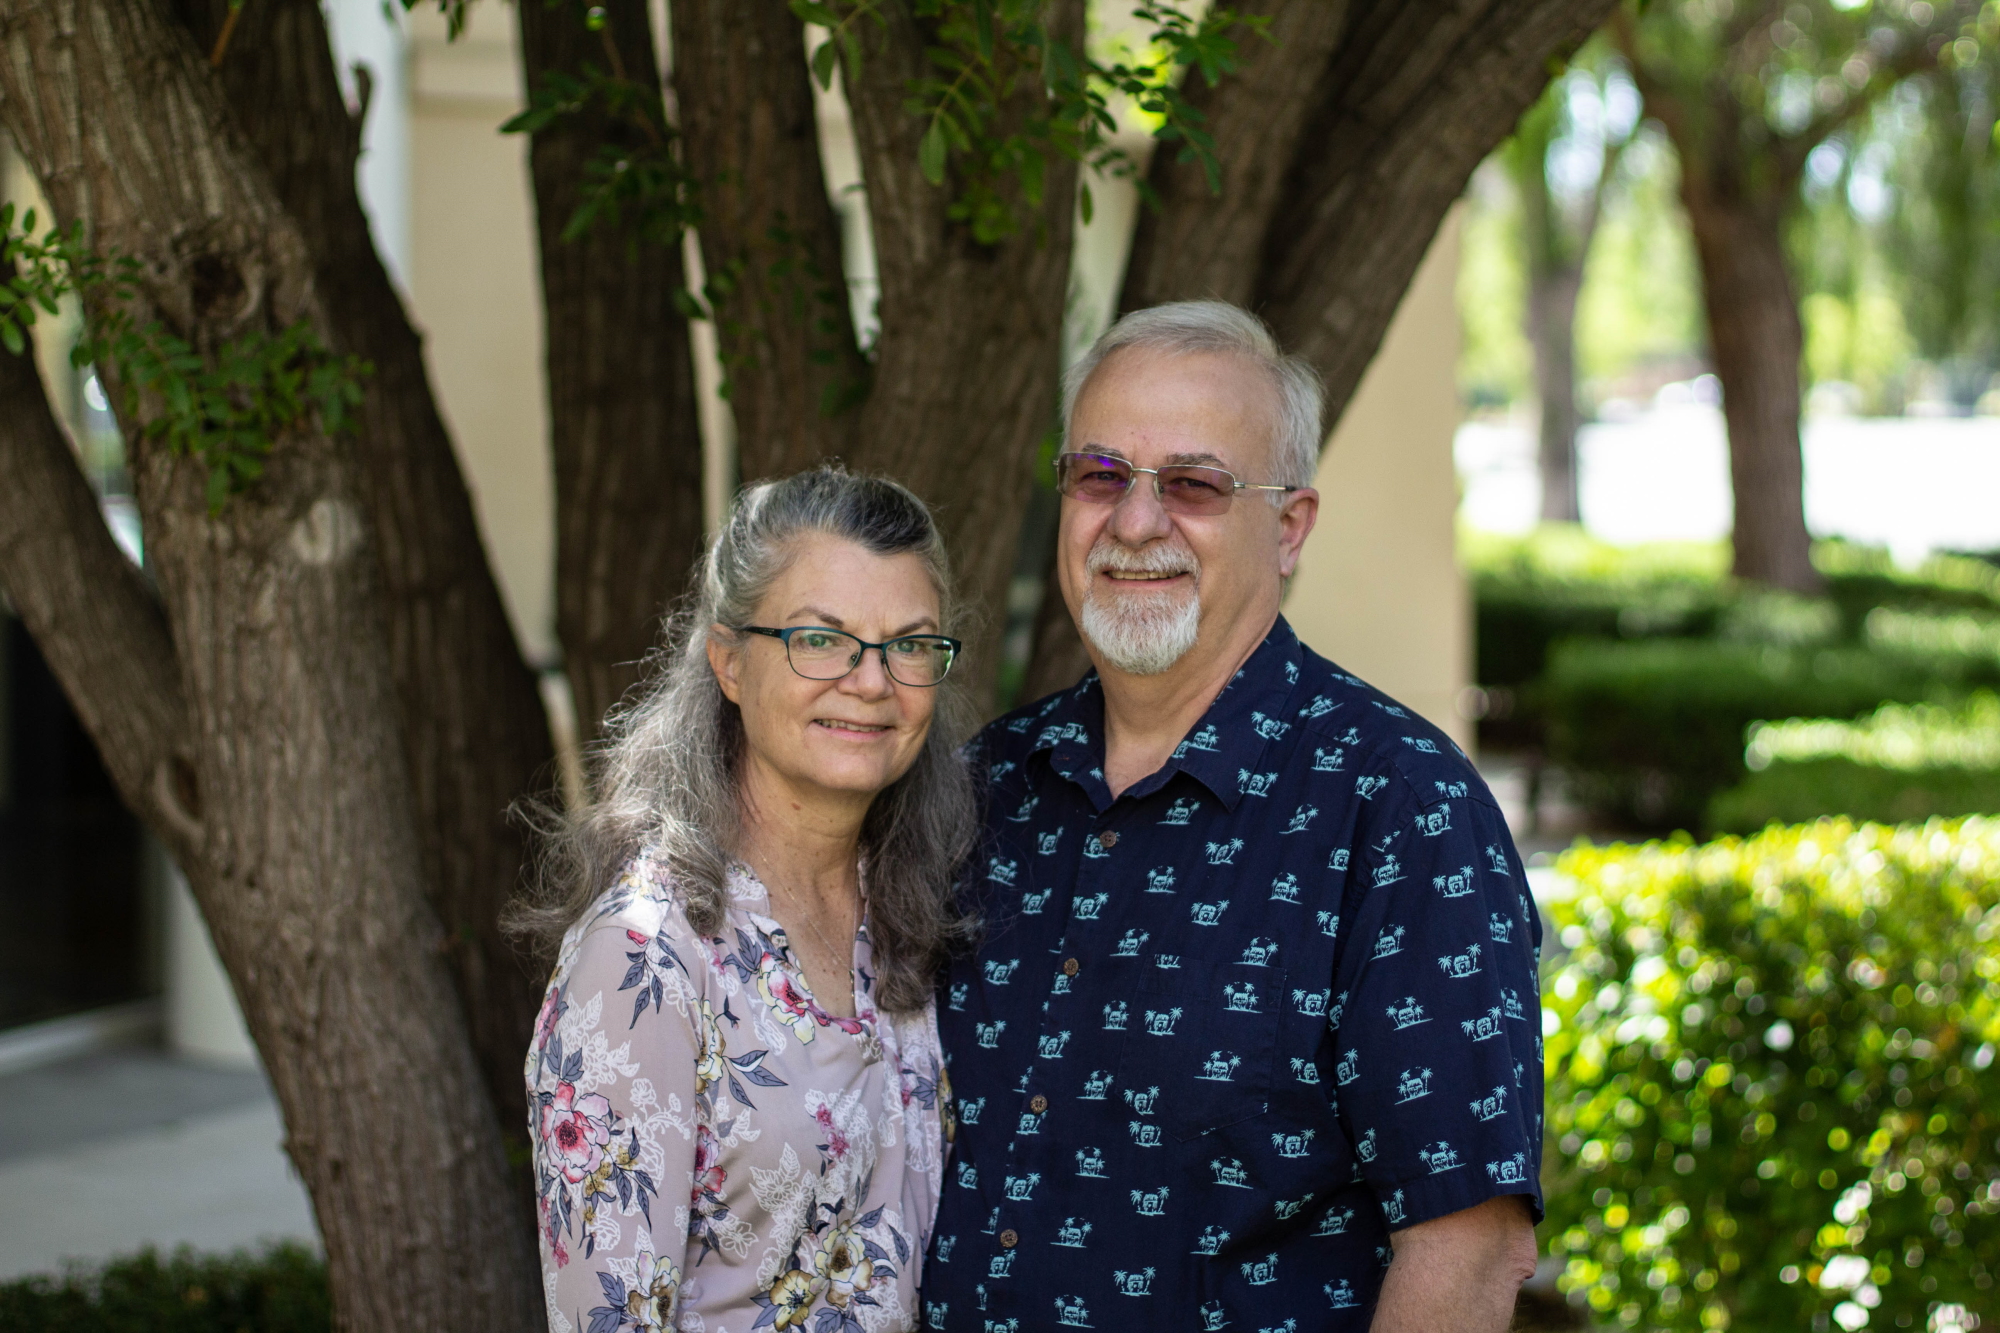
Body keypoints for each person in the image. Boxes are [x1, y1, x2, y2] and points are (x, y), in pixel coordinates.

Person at [922, 302, 1543, 1332]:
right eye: (1099, 475)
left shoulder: (1401, 812)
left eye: (1194, 484)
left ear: (1289, 525)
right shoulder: (984, 786)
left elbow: (1469, 1248)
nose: (1133, 522)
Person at [519, 467, 977, 1333]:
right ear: (728, 661)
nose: (872, 680)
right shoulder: (643, 959)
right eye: (820, 638)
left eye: (909, 644)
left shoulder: (915, 912)